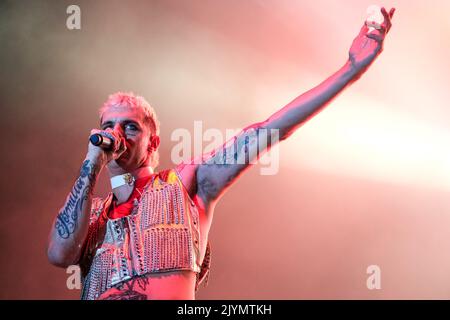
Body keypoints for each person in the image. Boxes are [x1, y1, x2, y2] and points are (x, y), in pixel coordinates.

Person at [47, 7, 395, 300]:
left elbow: (267, 131)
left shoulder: (185, 182)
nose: (117, 134)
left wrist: (349, 70)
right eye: (110, 126)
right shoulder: (91, 214)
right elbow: (60, 255)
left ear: (153, 143)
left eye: (131, 127)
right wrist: (91, 166)